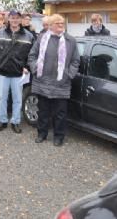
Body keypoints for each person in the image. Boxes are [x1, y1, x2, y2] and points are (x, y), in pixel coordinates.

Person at [28, 14, 80, 146]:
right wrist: (35, 69)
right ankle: (42, 134)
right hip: (42, 81)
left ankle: (59, 136)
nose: (61, 25)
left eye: (62, 23)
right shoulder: (42, 38)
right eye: (57, 23)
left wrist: (69, 74)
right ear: (50, 25)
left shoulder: (70, 41)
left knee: (60, 114)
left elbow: (75, 61)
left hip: (61, 83)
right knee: (43, 111)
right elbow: (32, 56)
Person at [0, 11, 34, 133]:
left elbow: (32, 55)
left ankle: (15, 121)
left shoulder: (28, 36)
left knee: (17, 99)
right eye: (12, 18)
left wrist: (27, 67)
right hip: (2, 72)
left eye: (17, 18)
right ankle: (2, 120)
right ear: (8, 19)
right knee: (2, 98)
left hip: (18, 73)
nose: (14, 20)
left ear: (20, 20)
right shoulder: (0, 33)